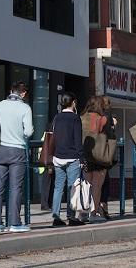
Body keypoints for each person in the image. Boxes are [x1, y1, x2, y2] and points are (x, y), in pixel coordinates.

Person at [0, 81, 34, 233]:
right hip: (17, 151)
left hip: (0, 150)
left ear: (11, 91)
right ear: (23, 93)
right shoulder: (25, 108)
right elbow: (28, 132)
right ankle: (15, 223)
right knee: (15, 187)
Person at [51, 91, 84, 227]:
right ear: (73, 102)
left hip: (58, 156)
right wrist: (81, 158)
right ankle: (71, 217)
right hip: (72, 157)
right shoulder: (75, 118)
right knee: (72, 187)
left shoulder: (57, 117)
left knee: (58, 187)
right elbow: (78, 140)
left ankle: (56, 216)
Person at [81, 96, 113, 223]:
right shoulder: (102, 119)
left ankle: (83, 212)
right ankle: (93, 213)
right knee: (97, 186)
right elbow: (108, 135)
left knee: (86, 185)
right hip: (99, 154)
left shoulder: (82, 118)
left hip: (85, 154)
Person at [98, 96, 117, 219]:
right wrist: (113, 126)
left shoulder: (93, 115)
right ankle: (103, 208)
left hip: (92, 151)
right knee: (104, 181)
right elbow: (110, 135)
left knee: (95, 181)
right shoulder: (107, 116)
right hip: (103, 151)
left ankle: (97, 207)